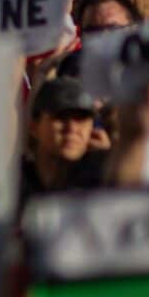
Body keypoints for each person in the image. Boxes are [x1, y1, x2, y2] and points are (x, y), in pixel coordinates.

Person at [18, 78, 105, 206]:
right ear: (34, 126)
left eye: (81, 119)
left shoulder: (100, 187)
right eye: (60, 117)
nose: (72, 128)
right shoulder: (12, 182)